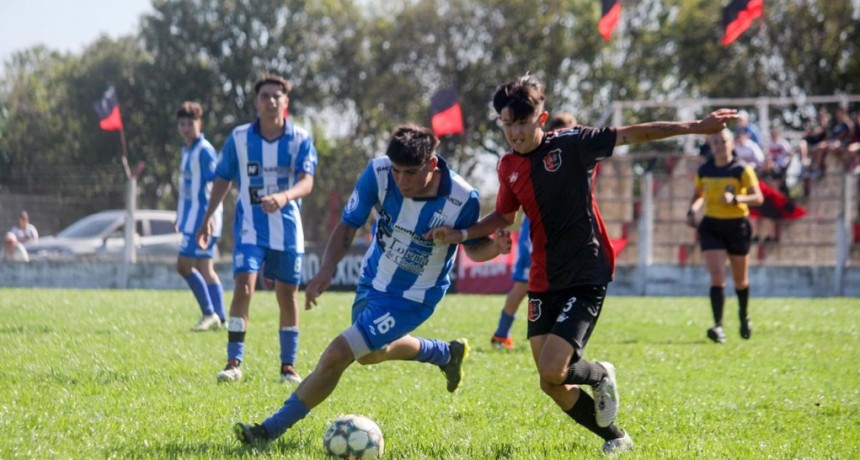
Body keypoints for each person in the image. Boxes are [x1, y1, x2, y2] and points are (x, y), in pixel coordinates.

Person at [429, 74, 737, 455]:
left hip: (585, 271)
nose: (514, 133)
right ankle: (617, 438)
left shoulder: (573, 145)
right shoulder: (508, 166)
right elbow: (503, 217)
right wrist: (460, 235)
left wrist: (695, 127)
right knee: (550, 382)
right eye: (507, 124)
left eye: (521, 123)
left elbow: (632, 134)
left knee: (552, 369)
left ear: (540, 120)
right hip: (544, 277)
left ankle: (600, 374)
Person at [233, 124, 511, 445]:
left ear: (432, 165)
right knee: (368, 354)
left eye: (410, 172)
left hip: (414, 298)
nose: (401, 181)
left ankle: (268, 430)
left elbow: (475, 249)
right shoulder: (378, 173)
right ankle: (443, 354)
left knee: (339, 353)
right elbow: (349, 225)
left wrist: (496, 248)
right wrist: (326, 270)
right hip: (372, 279)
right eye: (397, 171)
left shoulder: (462, 199)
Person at [197, 74, 317, 384]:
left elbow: (307, 181)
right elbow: (223, 177)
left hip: (288, 230)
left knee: (286, 295)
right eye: (265, 95)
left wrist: (284, 196)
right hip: (250, 228)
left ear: (286, 102)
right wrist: (208, 215)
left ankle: (287, 367)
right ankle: (234, 362)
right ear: (256, 101)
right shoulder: (239, 138)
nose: (271, 100)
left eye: (277, 96)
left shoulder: (300, 138)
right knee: (244, 286)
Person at [491, 112, 577, 351]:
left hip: (560, 240)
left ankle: (557, 338)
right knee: (522, 285)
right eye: (567, 131)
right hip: (535, 235)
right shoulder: (541, 159)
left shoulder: (570, 159)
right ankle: (500, 334)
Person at [686, 129, 764, 344]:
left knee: (740, 280)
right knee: (717, 276)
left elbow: (758, 198)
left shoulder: (742, 169)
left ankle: (743, 315)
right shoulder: (704, 170)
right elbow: (698, 195)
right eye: (715, 142)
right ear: (711, 145)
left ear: (732, 144)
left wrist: (736, 198)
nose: (719, 145)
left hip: (737, 226)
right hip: (711, 226)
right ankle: (718, 326)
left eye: (723, 141)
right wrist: (692, 209)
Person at [174, 102, 226, 332]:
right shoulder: (186, 150)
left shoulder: (204, 150)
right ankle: (221, 318)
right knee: (205, 269)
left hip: (203, 217)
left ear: (199, 124)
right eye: (182, 124)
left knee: (183, 266)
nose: (186, 128)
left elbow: (215, 184)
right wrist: (180, 215)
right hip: (192, 217)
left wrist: (210, 217)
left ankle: (208, 313)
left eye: (190, 123)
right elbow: (186, 189)